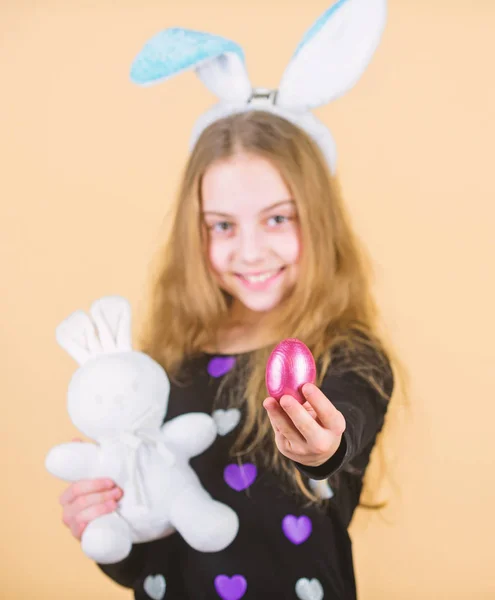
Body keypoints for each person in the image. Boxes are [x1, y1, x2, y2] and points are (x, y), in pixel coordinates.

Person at [58, 2, 398, 598]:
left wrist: (320, 448)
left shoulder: (348, 355)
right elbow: (148, 561)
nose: (249, 251)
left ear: (317, 220)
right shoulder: (168, 363)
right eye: (221, 226)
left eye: (276, 218)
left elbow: (341, 440)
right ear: (196, 231)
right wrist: (105, 525)